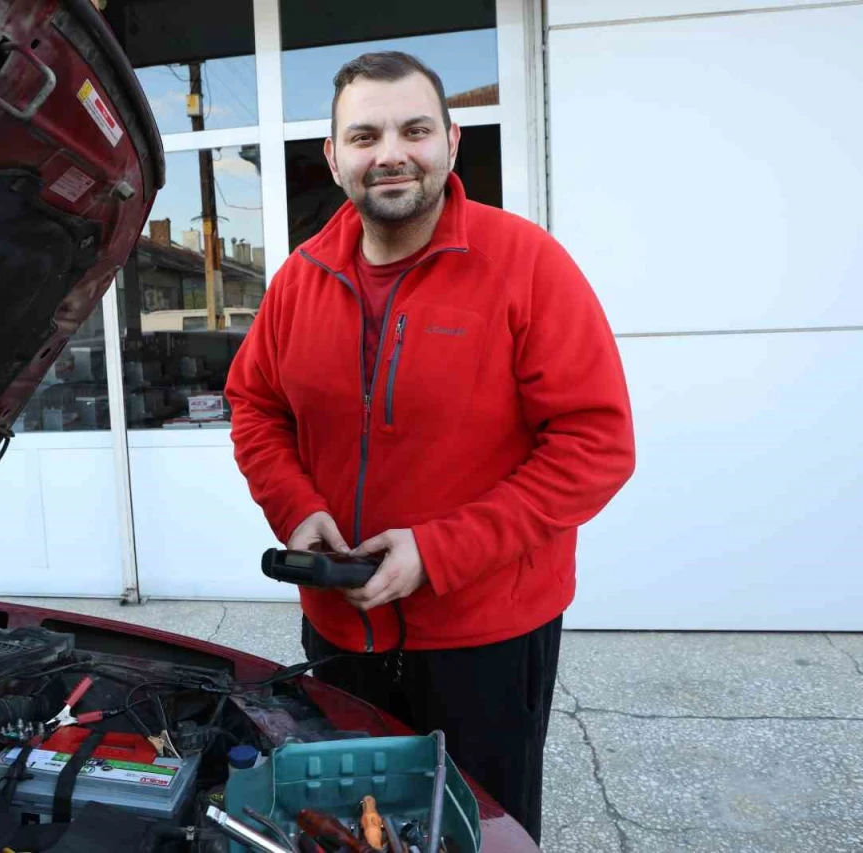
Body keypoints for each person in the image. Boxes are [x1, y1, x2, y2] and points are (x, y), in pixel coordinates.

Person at [224, 51, 635, 844]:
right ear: (333, 155)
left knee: (476, 829)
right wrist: (297, 507)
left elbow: (596, 443)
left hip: (489, 634)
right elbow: (254, 405)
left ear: (451, 141)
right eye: (365, 134)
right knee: (349, 827)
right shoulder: (300, 279)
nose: (390, 153)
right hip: (341, 628)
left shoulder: (527, 265)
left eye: (414, 129)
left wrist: (440, 550)